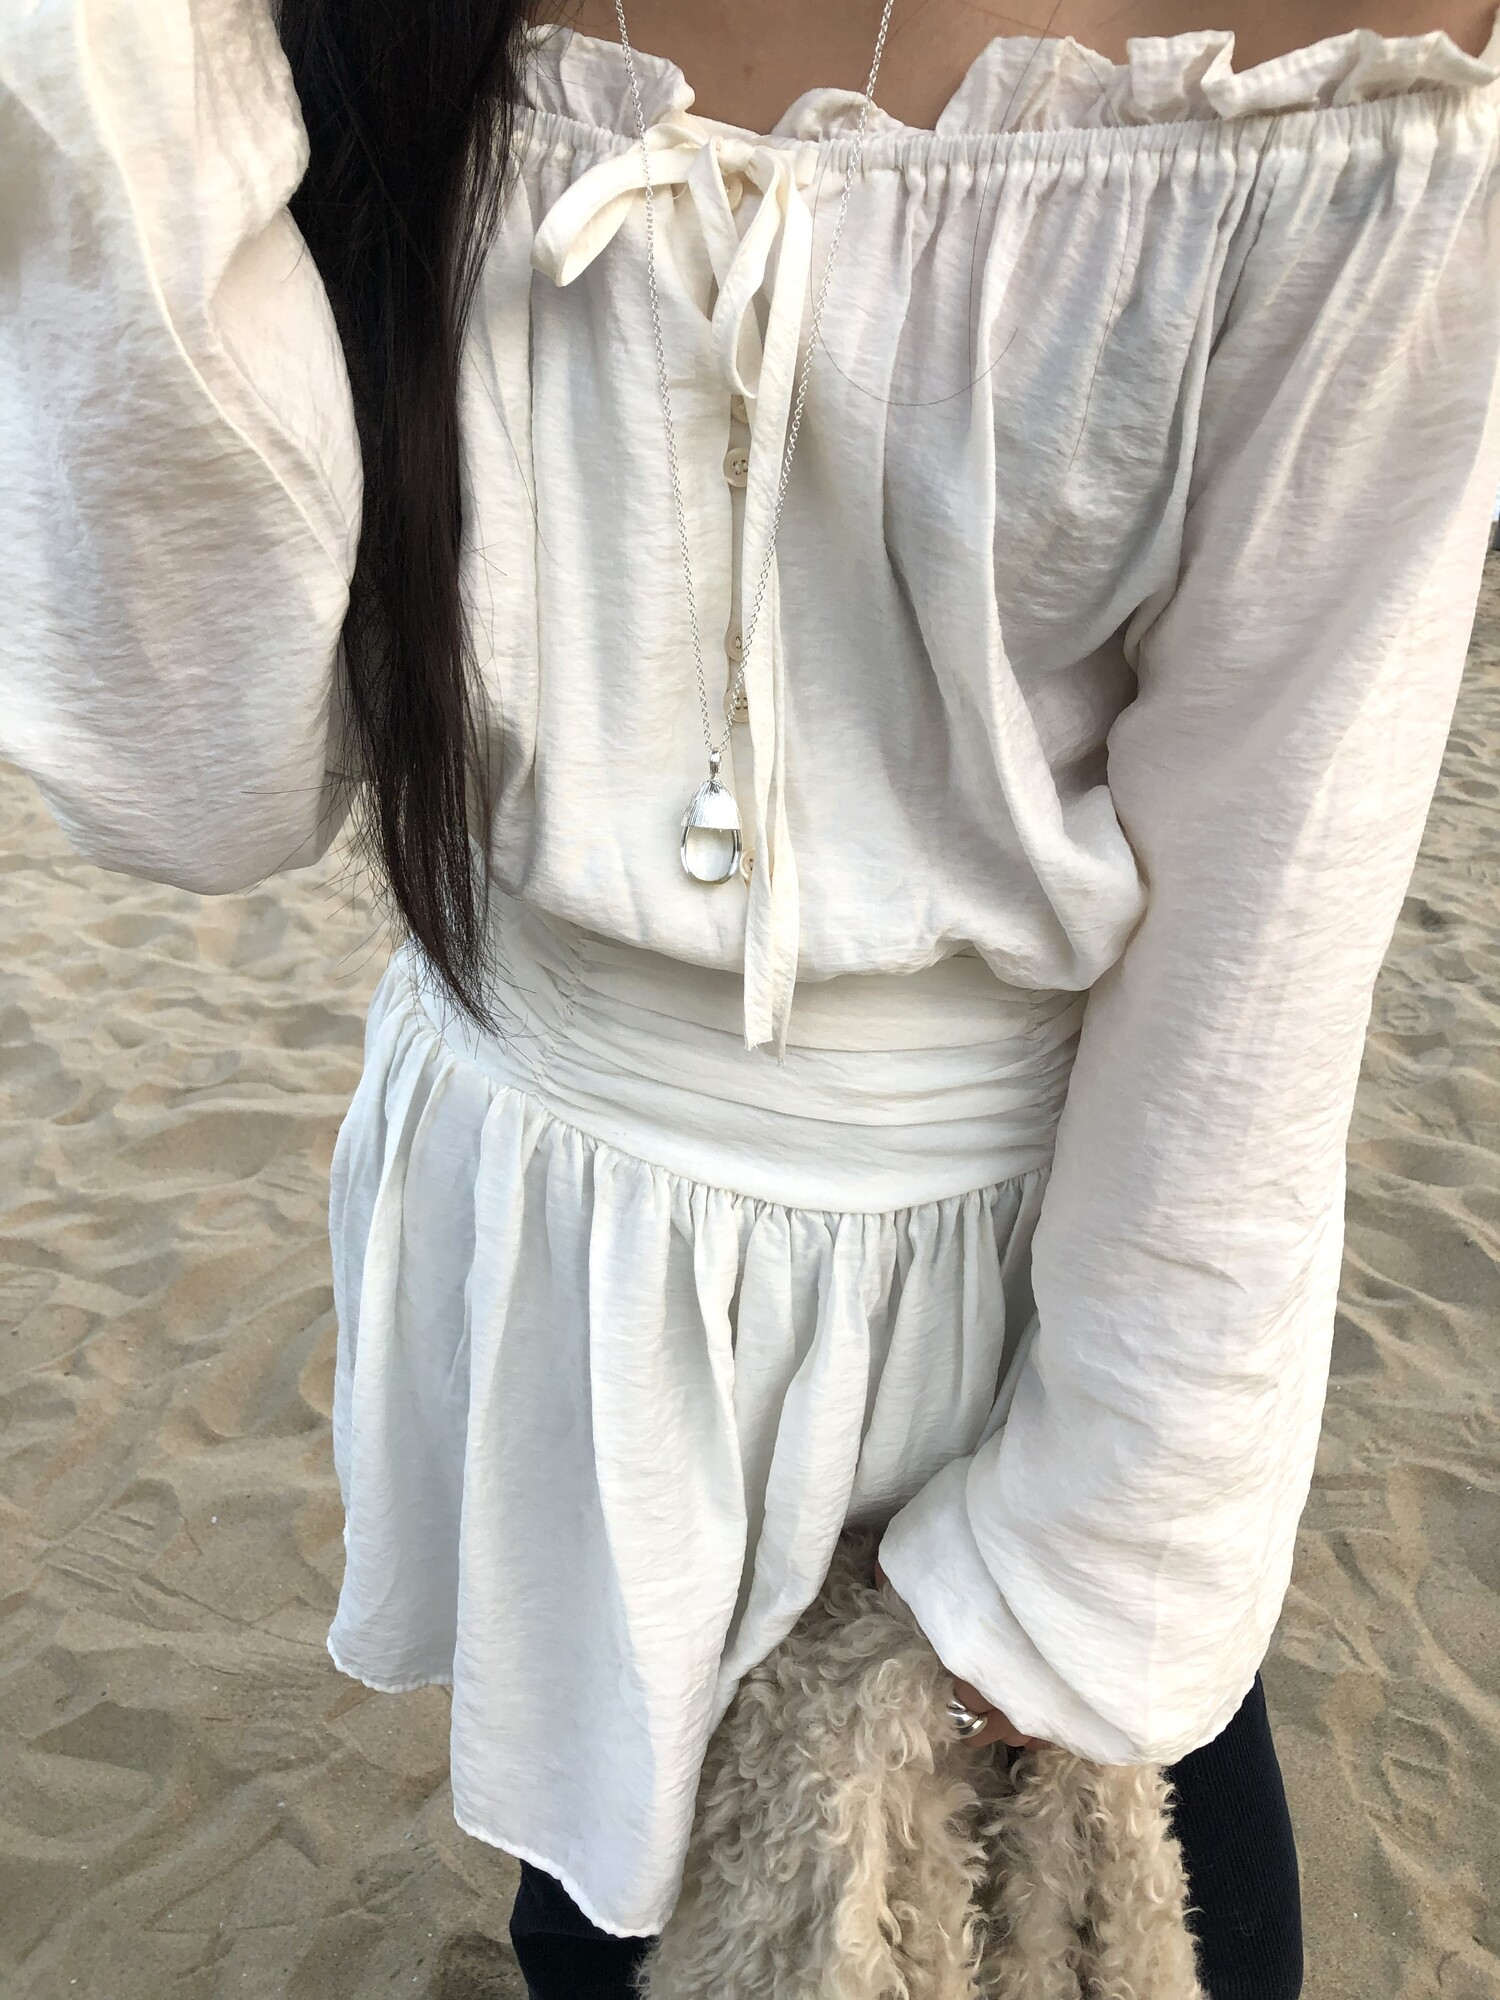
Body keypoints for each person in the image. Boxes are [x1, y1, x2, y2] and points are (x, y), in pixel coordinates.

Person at [3, 0, 1498, 1992]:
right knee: (592, 1897)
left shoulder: (1341, 77)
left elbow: (1270, 927)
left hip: (994, 1307)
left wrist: (1086, 1571)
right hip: (547, 1269)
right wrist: (113, 90)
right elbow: (209, 782)